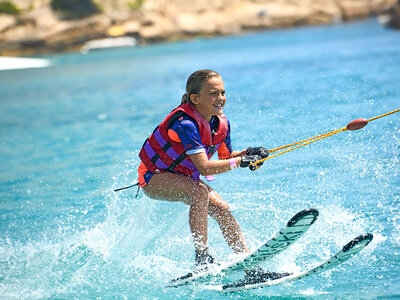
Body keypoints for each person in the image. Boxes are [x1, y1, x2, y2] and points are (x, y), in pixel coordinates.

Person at [137, 69, 288, 282]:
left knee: (222, 209)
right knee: (199, 192)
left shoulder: (220, 122)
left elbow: (227, 156)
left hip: (184, 177)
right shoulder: (186, 124)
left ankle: (251, 269)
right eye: (213, 93)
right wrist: (239, 162)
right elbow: (206, 167)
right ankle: (202, 259)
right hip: (153, 177)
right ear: (195, 99)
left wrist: (249, 154)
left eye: (223, 93)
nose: (220, 99)